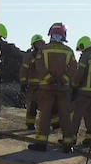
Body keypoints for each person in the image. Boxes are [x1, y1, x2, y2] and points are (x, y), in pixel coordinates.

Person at [30, 23, 77, 152]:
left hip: (46, 88)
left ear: (51, 35)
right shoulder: (68, 51)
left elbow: (39, 67)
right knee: (65, 116)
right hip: (63, 89)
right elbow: (73, 69)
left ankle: (41, 143)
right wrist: (63, 80)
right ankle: (68, 144)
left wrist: (49, 79)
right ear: (63, 36)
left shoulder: (43, 50)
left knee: (45, 115)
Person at [67, 36, 91, 149]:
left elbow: (80, 73)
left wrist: (74, 86)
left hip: (84, 92)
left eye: (82, 48)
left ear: (85, 46)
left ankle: (71, 139)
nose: (81, 51)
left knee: (76, 116)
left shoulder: (85, 57)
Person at [20, 34, 44, 131]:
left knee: (45, 107)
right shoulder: (30, 56)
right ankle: (30, 124)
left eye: (41, 42)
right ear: (34, 44)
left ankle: (45, 126)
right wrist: (23, 82)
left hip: (44, 85)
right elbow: (24, 70)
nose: (41, 44)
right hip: (33, 86)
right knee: (32, 106)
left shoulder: (45, 54)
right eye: (39, 43)